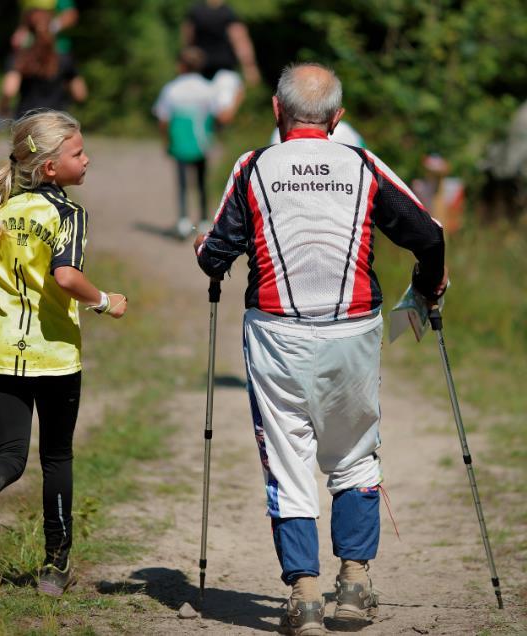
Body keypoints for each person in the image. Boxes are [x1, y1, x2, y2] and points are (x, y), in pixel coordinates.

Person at [194, 63, 447, 634]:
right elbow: (428, 234)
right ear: (337, 118)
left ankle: (303, 596)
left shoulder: (253, 166)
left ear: (277, 113)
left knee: (287, 459)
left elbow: (216, 255)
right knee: (356, 450)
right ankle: (354, 584)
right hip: (353, 330)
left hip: (276, 334)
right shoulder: (361, 164)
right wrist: (430, 288)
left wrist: (202, 248)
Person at [0, 110, 127, 595]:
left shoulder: (0, 210)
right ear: (51, 168)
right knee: (57, 457)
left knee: (11, 455)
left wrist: (6, 279)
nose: (88, 159)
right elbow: (65, 276)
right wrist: (104, 301)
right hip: (53, 354)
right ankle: (54, 569)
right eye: (78, 153)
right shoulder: (68, 214)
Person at [153, 47, 219, 239]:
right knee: (201, 182)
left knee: (182, 182)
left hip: (180, 142)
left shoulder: (172, 89)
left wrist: (166, 140)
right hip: (201, 142)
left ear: (181, 65)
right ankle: (205, 220)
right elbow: (215, 114)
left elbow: (163, 118)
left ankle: (183, 221)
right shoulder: (208, 88)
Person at [0, 1, 87, 119]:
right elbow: (80, 94)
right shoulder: (64, 59)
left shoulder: (19, 58)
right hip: (57, 124)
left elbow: (9, 90)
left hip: (27, 122)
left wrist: (2, 108)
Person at [182, 0, 261, 124]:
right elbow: (240, 40)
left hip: (208, 71)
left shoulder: (197, 11)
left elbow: (188, 40)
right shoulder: (227, 12)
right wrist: (249, 67)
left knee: (209, 113)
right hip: (217, 70)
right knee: (221, 113)